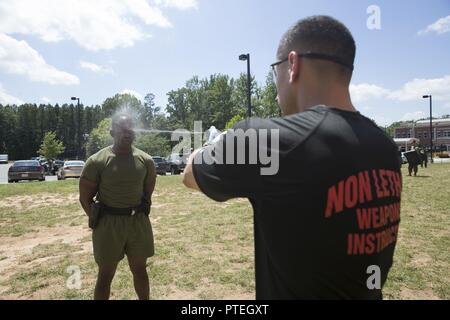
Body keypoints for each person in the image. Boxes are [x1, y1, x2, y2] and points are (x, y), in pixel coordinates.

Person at [183, 16, 402, 299]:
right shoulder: (384, 145)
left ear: (293, 65)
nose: (275, 87)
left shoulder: (266, 139)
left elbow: (190, 175)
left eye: (275, 71)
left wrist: (215, 144)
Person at [79, 113, 156, 300]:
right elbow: (85, 198)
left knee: (140, 270)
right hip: (108, 225)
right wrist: (100, 220)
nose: (126, 132)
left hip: (137, 223)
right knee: (105, 275)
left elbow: (147, 194)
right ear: (112, 131)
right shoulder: (97, 161)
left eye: (130, 128)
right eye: (122, 129)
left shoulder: (146, 161)